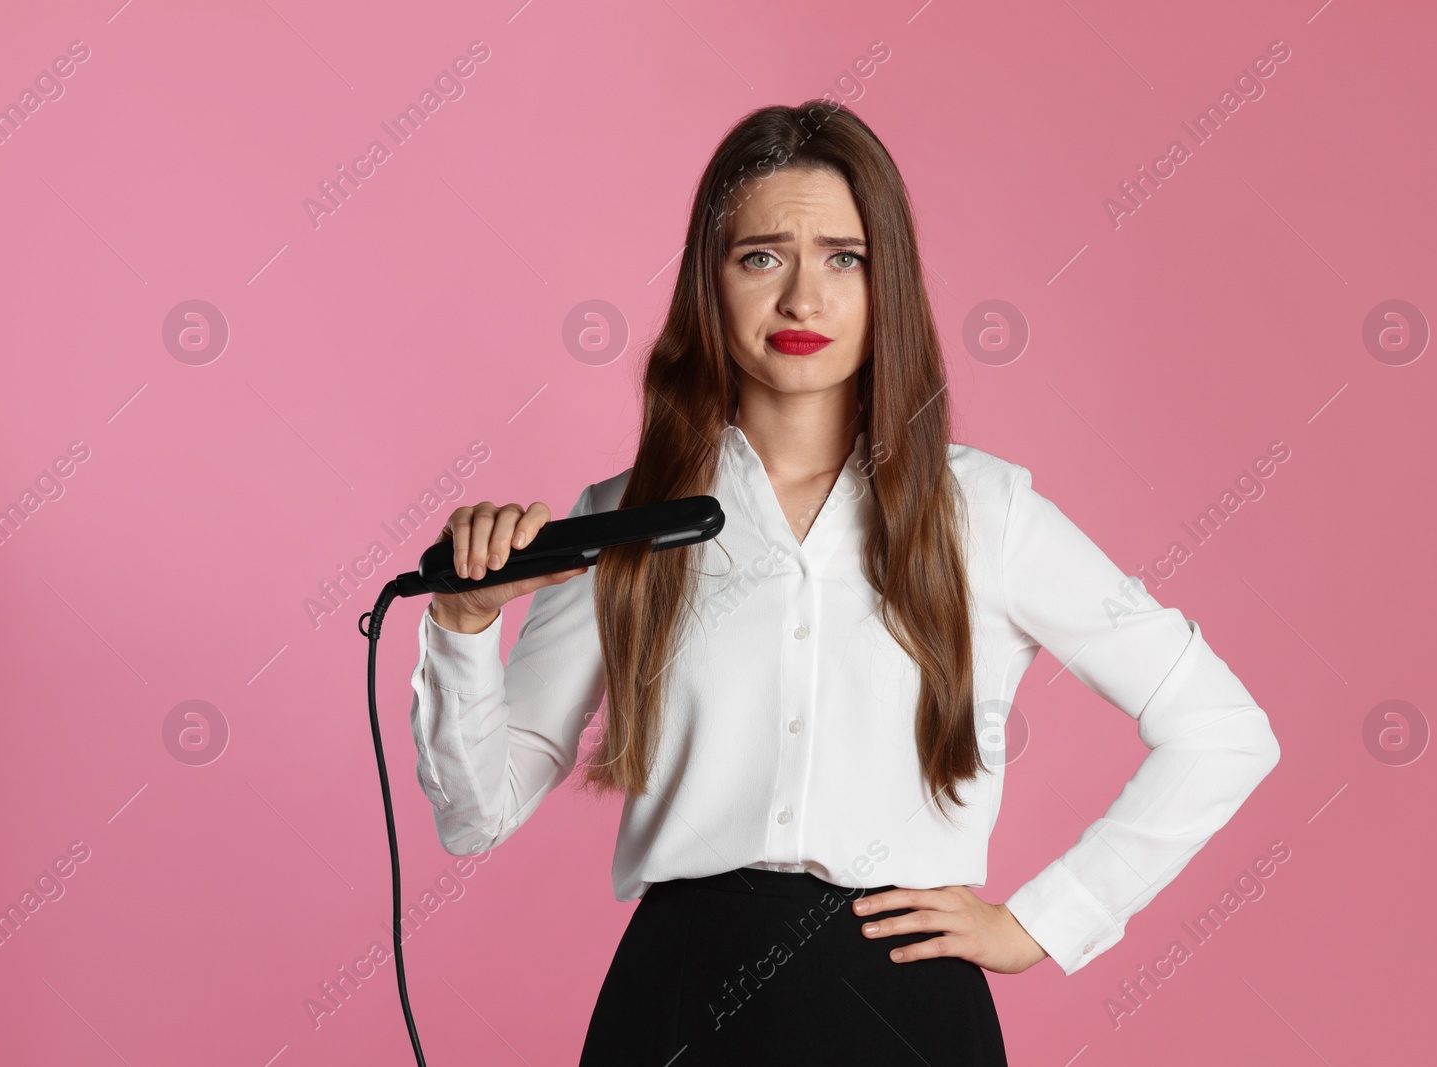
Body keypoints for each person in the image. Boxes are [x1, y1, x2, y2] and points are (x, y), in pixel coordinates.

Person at [406, 100, 1281, 1066]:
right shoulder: (624, 518)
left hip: (902, 1007)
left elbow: (1222, 728)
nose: (802, 301)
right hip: (678, 1003)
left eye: (843, 258)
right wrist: (462, 623)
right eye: (761, 257)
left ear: (885, 283)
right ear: (710, 281)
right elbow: (474, 812)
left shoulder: (980, 511)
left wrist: (1044, 922)